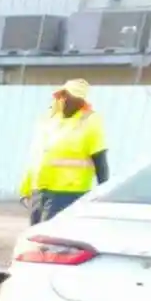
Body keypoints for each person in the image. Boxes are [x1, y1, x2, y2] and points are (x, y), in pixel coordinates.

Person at [20, 79, 109, 224]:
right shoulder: (48, 120)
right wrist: (25, 189)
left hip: (68, 193)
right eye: (67, 96)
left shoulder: (90, 121)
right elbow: (37, 157)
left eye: (76, 98)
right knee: (34, 237)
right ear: (60, 95)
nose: (70, 101)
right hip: (40, 191)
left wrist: (104, 195)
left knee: (51, 238)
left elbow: (100, 161)